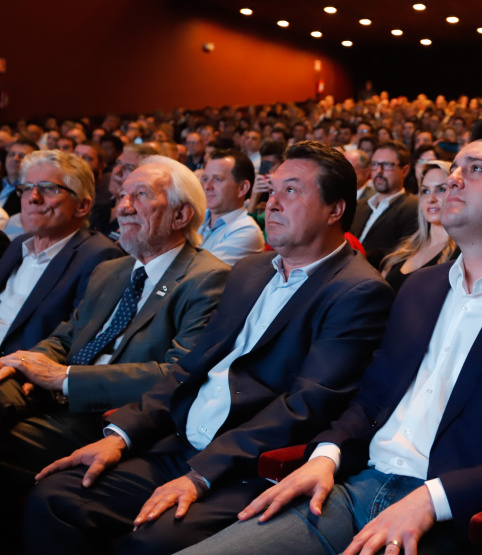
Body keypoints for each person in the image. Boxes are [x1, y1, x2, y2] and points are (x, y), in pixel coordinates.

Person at [175, 118, 482, 555]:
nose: (453, 180)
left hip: (452, 514)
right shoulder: (420, 287)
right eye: (455, 168)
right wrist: (326, 456)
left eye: (477, 169)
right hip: (351, 488)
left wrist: (432, 499)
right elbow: (371, 400)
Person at [24, 141, 395, 554]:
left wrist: (200, 474)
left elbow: (305, 406)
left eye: (291, 191)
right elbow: (190, 367)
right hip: (179, 441)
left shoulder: (357, 291)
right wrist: (122, 434)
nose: (272, 204)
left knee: (151, 541)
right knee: (56, 496)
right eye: (271, 191)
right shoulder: (251, 270)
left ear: (335, 209)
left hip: (244, 465)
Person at [0, 155, 230, 552]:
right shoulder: (111, 270)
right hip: (55, 393)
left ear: (181, 215)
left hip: (111, 417)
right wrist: (18, 362)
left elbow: (177, 373)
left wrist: (65, 378)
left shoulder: (207, 278)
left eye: (140, 196)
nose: (122, 206)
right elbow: (65, 338)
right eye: (122, 195)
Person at [0, 150, 123, 358]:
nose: (33, 198)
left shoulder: (101, 257)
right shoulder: (18, 244)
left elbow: (79, 339)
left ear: (82, 206)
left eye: (48, 189)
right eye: (27, 188)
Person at [380, 160, 456, 293]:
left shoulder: (461, 255)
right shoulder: (406, 248)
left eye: (441, 189)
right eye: (425, 191)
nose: (431, 198)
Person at [349, 141, 420, 268]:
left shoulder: (413, 207)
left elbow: (402, 256)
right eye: (374, 164)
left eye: (387, 165)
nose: (379, 171)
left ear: (405, 170)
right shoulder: (358, 206)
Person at [198, 149, 265, 266]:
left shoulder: (246, 231)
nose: (207, 186)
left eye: (217, 179)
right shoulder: (198, 218)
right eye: (205, 179)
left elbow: (199, 275)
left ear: (242, 188)